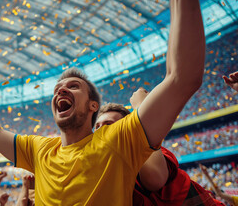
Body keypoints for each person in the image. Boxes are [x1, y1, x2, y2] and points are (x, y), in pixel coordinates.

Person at [0, 0, 206, 204]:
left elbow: (181, 78)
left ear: (92, 106)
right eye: (57, 89)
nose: (61, 90)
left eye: (74, 86)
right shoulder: (40, 150)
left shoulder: (118, 140)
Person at [96, 88, 224, 205]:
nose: (101, 130)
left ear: (127, 129)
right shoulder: (105, 172)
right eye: (97, 126)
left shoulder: (150, 152)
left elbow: (154, 179)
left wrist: (142, 110)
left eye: (108, 124)